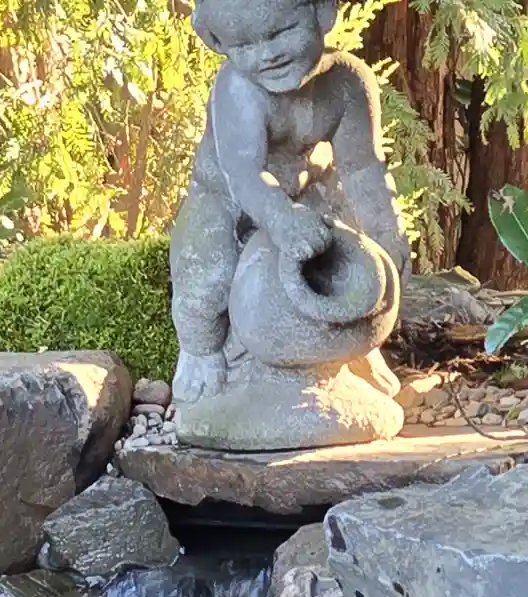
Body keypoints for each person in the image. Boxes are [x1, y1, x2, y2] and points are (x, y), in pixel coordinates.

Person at [171, 0, 410, 404]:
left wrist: (387, 230)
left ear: (323, 12)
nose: (267, 54)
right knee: (205, 276)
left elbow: (361, 168)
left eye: (281, 32)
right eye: (244, 45)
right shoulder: (238, 88)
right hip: (226, 195)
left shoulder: (347, 83)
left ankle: (358, 347)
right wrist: (281, 219)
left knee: (358, 258)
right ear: (216, 41)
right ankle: (200, 352)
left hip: (308, 191)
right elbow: (243, 173)